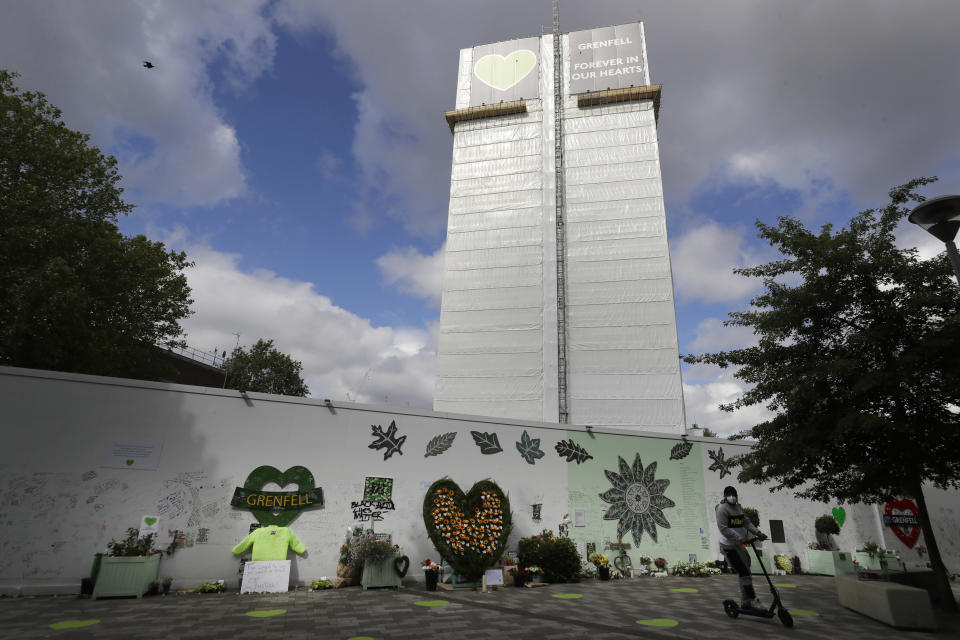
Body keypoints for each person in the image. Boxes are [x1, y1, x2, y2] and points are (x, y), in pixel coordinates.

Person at [716, 485, 767, 610]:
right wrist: (739, 538)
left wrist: (758, 533)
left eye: (734, 494)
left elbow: (746, 522)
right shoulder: (722, 509)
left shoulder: (738, 508)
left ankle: (746, 601)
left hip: (739, 544)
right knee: (743, 571)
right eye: (729, 495)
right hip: (728, 546)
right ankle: (752, 600)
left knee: (746, 571)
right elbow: (723, 529)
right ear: (725, 496)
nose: (732, 497)